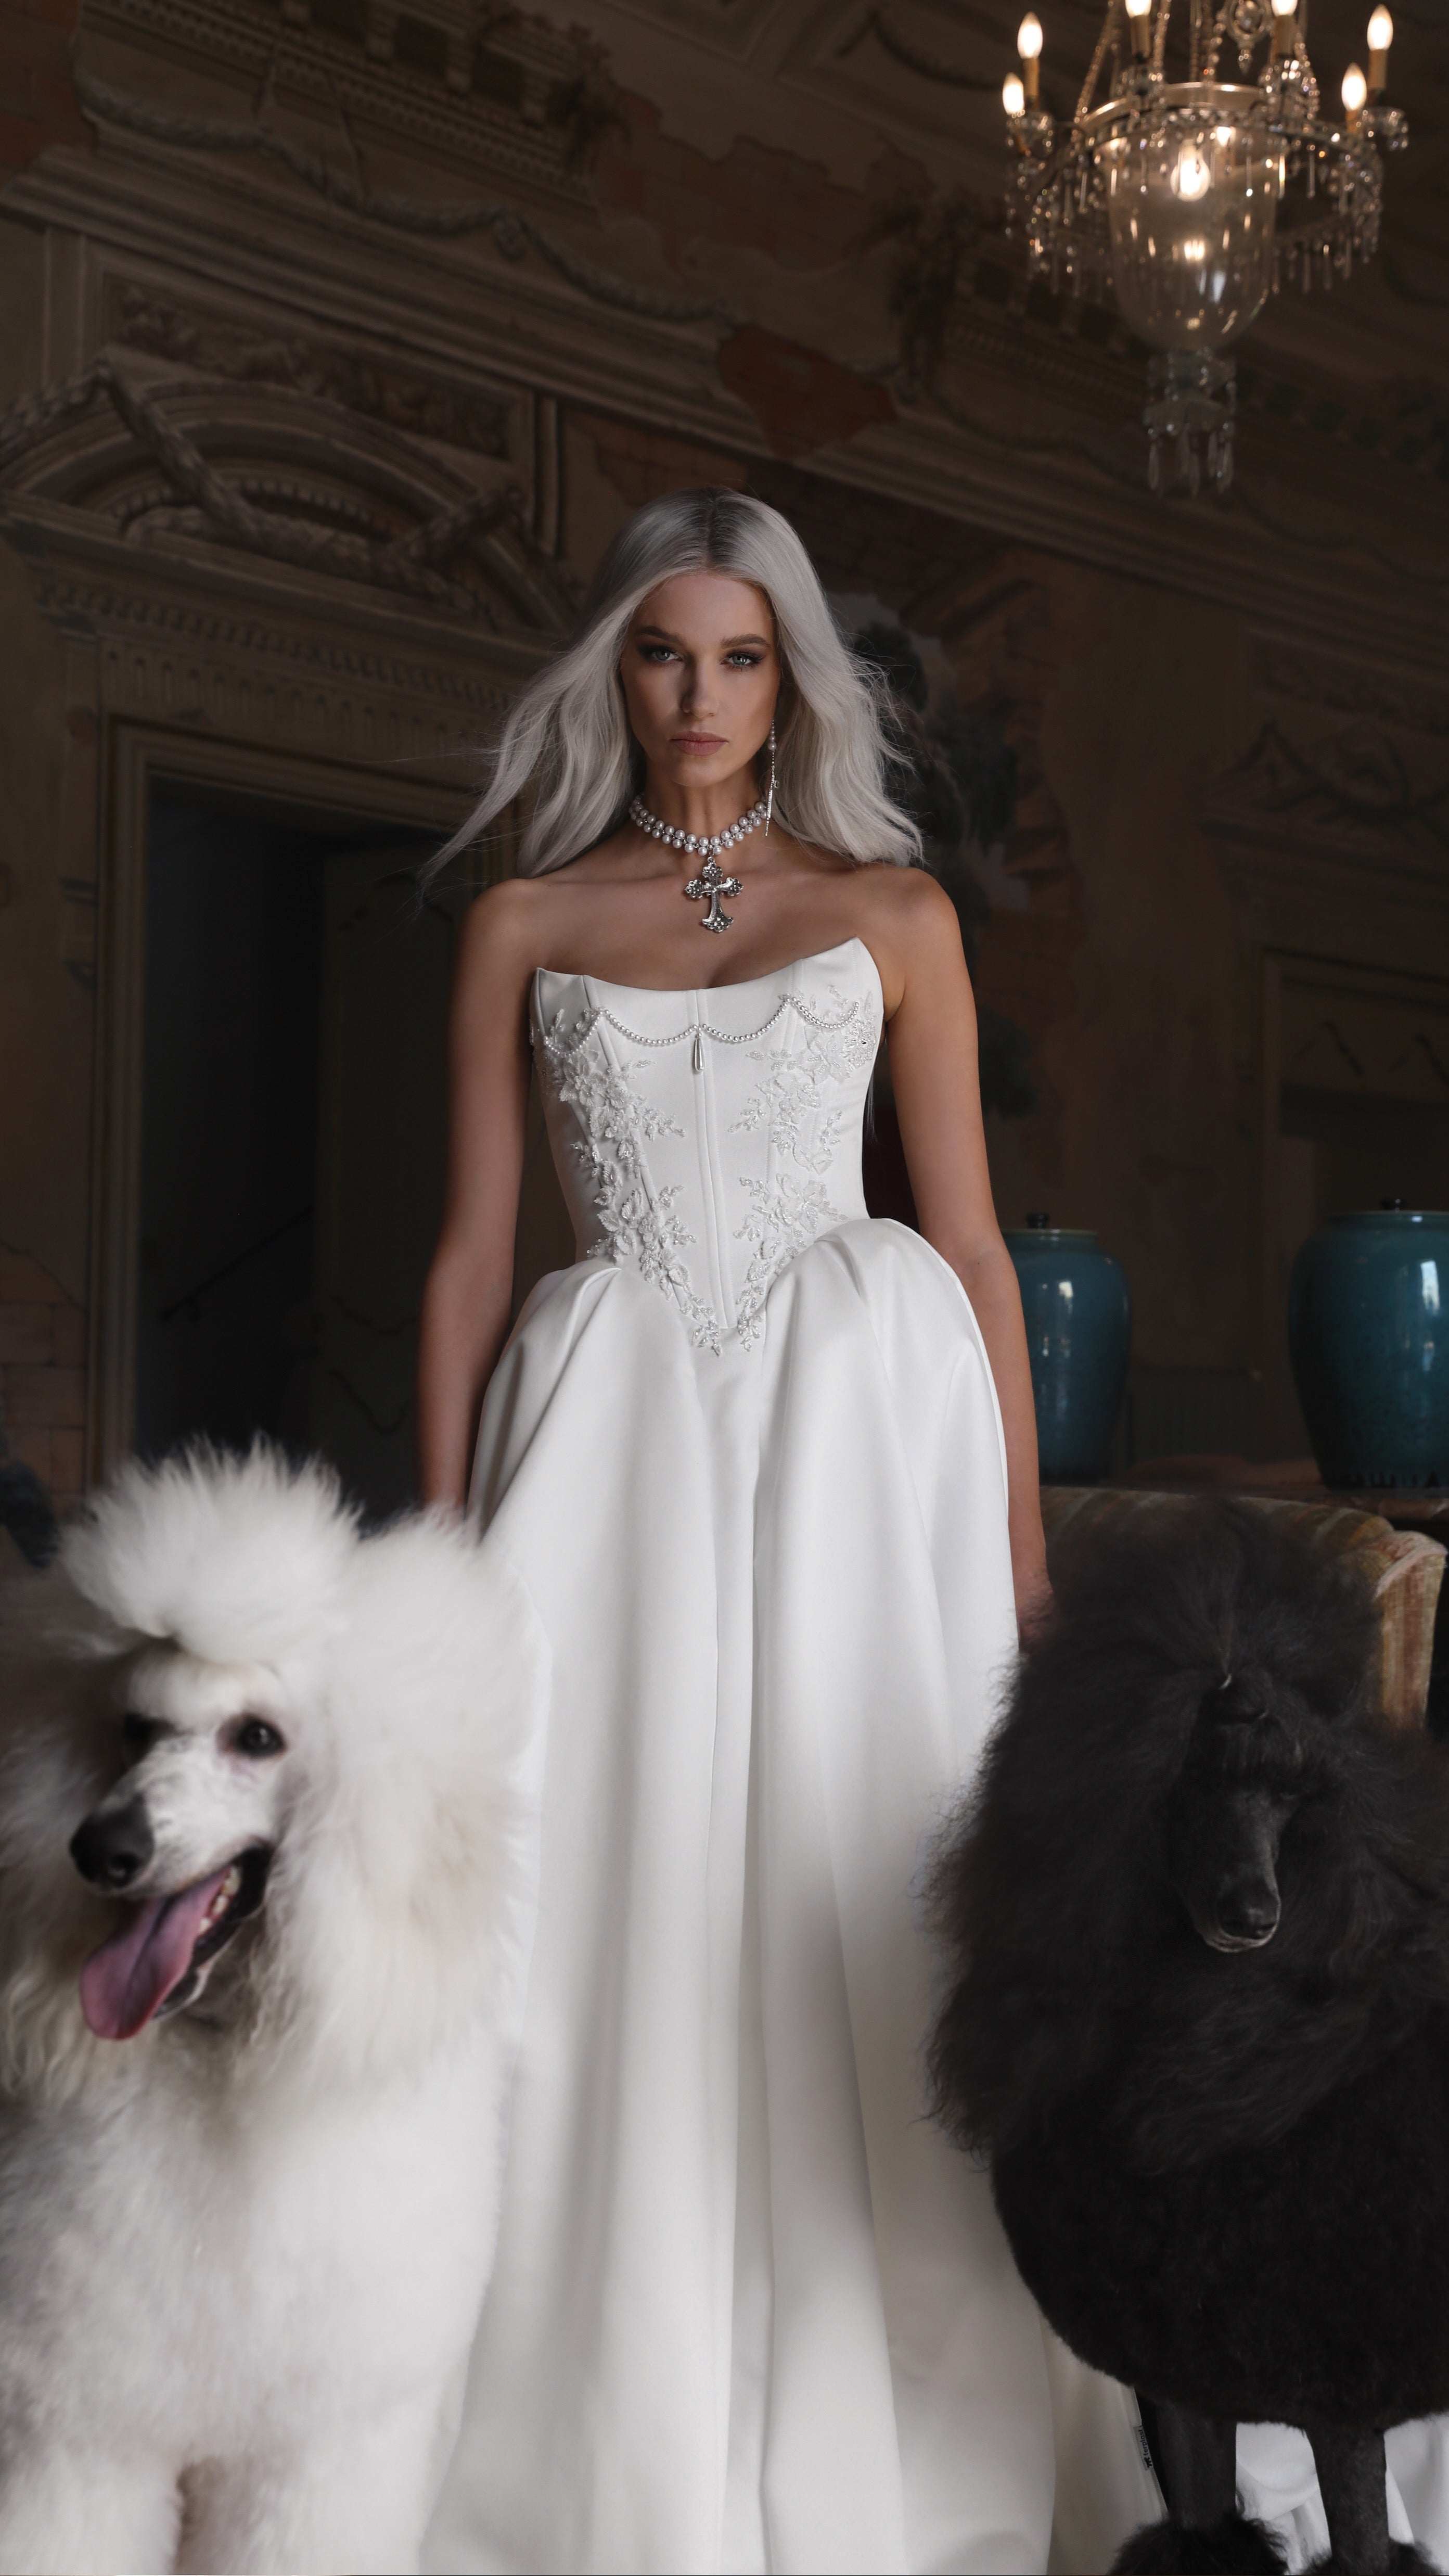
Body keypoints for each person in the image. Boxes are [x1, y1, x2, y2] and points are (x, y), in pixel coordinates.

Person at [415, 488, 1157, 2574]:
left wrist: (1018, 1563)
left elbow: (976, 1251)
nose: (701, 698)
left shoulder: (897, 912)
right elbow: (471, 1265)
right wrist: (434, 1563)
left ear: (792, 676)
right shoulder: (525, 922)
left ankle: (900, 2454)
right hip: (609, 1460)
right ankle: (581, 2455)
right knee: (600, 1893)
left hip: (857, 1454)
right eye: (665, 653)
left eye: (743, 657)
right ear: (614, 668)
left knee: (860, 1890)